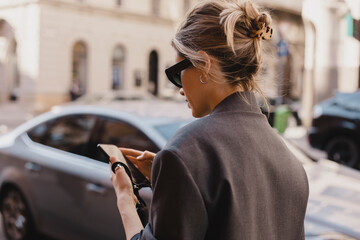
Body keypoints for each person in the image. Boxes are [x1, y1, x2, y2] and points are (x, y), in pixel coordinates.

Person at [109, 1, 309, 239]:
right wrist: (174, 181)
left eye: (176, 74)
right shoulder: (292, 164)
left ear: (204, 64)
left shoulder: (185, 152)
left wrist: (124, 199)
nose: (179, 89)